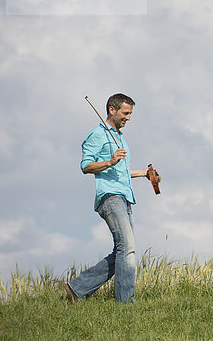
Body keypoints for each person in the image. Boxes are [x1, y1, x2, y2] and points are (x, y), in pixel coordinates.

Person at [63, 93, 149, 303]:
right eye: (125, 113)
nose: (128, 118)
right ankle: (125, 302)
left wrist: (144, 173)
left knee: (123, 249)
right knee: (127, 248)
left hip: (125, 196)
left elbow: (122, 172)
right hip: (110, 196)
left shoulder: (120, 138)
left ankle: (77, 288)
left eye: (130, 114)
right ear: (112, 109)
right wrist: (110, 162)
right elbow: (86, 166)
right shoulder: (98, 135)